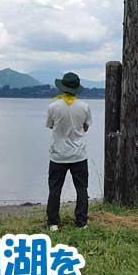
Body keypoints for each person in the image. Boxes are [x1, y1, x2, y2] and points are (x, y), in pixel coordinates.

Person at [45, 72, 92, 231]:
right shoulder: (84, 106)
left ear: (62, 87)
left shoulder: (53, 106)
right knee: (81, 188)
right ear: (77, 89)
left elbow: (51, 125)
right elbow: (86, 127)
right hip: (78, 155)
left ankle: (53, 223)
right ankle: (81, 221)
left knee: (55, 189)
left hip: (58, 155)